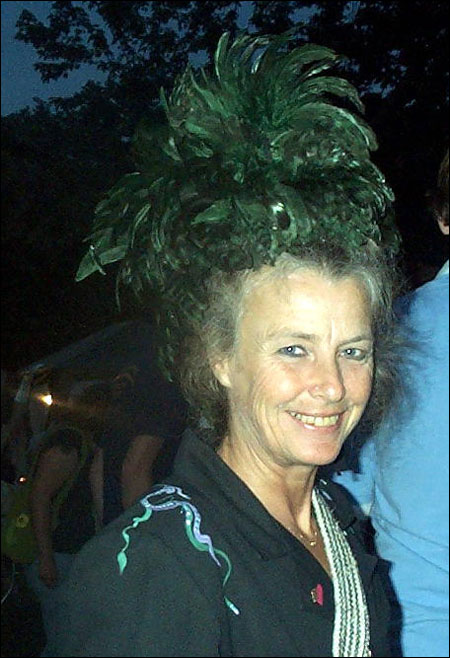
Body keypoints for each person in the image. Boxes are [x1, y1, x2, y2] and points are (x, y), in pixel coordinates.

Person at [45, 32, 404, 657]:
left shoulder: (338, 522)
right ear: (219, 357)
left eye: (353, 351)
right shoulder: (157, 568)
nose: (332, 386)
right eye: (292, 349)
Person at [333, 149, 449, 657]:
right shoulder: (383, 336)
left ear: (442, 217)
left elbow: (347, 494)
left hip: (417, 632)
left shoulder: (386, 333)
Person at [24, 381, 111, 655]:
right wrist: (46, 558)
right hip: (58, 554)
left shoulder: (81, 442)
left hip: (68, 554)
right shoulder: (68, 443)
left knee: (69, 635)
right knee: (65, 639)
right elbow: (39, 497)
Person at [89, 363, 187, 528]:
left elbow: (97, 469)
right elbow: (134, 468)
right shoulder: (165, 398)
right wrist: (145, 529)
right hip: (145, 526)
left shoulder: (122, 406)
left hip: (119, 525)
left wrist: (106, 525)